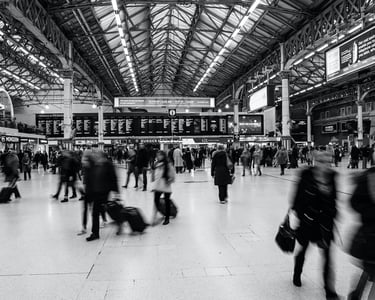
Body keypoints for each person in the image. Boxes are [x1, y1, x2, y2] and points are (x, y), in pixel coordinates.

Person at [291, 151, 339, 299]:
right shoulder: (306, 176)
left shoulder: (332, 177)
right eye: (322, 161)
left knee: (327, 257)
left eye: (328, 161)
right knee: (303, 249)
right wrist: (302, 216)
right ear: (316, 162)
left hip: (325, 223)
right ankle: (297, 271)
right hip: (308, 221)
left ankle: (329, 290)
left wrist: (333, 213)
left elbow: (334, 199)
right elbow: (296, 199)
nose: (326, 165)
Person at [347, 162, 375, 299]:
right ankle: (357, 293)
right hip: (370, 236)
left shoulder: (366, 176)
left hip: (368, 235)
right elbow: (353, 202)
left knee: (369, 269)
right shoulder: (368, 178)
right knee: (370, 268)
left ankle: (356, 293)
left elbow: (353, 202)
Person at [86, 151, 118, 241]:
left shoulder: (108, 165)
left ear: (102, 156)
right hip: (96, 192)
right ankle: (95, 233)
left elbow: (113, 178)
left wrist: (116, 192)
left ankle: (119, 221)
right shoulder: (95, 165)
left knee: (106, 210)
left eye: (97, 155)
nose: (95, 156)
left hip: (105, 192)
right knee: (97, 212)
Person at [151, 150, 176, 226]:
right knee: (156, 201)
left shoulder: (168, 164)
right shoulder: (156, 164)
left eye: (160, 155)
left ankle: (167, 218)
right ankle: (155, 217)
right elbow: (155, 175)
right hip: (158, 186)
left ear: (163, 156)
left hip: (166, 185)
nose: (158, 157)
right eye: (157, 155)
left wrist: (169, 180)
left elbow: (173, 175)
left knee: (167, 202)